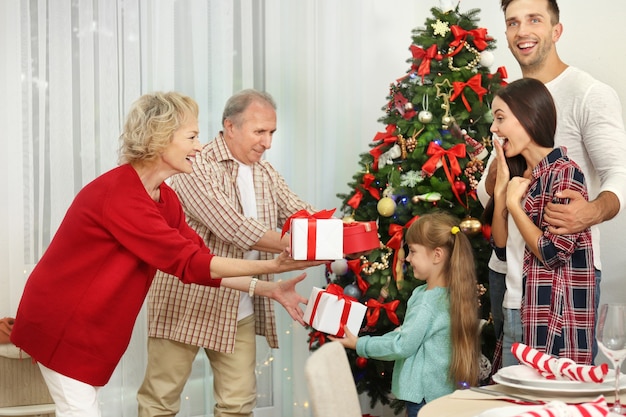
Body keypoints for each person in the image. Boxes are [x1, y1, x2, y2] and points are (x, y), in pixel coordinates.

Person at [9, 91, 323, 417]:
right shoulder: (120, 196)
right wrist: (273, 264)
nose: (199, 146)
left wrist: (267, 287)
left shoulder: (165, 198)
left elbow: (200, 263)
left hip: (90, 329)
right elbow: (190, 260)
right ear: (160, 139)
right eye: (191, 136)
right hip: (61, 323)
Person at [137, 89, 318, 417]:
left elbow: (300, 213)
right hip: (187, 301)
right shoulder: (196, 163)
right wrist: (293, 245)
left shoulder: (265, 172)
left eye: (272, 133)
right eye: (259, 132)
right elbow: (230, 226)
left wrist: (338, 234)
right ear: (230, 127)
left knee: (238, 405)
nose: (267, 143)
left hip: (241, 302)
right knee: (159, 402)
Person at [478, 0, 626, 366]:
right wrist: (502, 172)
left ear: (556, 30)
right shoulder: (510, 100)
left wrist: (591, 212)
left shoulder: (589, 93)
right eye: (513, 23)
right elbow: (485, 194)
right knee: (513, 386)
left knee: (560, 389)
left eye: (534, 20)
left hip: (559, 277)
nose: (522, 31)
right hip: (506, 273)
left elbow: (619, 175)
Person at [330, 212, 480, 417]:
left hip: (425, 399)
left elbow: (402, 345)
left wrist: (359, 344)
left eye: (413, 251)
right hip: (441, 395)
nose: (407, 258)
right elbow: (406, 335)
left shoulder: (428, 302)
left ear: (437, 255)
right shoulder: (447, 294)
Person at [490, 77, 595, 365]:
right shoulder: (517, 177)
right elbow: (501, 249)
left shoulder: (565, 174)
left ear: (528, 117)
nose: (493, 128)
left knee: (546, 409)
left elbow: (552, 253)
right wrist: (501, 193)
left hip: (548, 319)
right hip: (513, 309)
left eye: (500, 118)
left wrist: (514, 205)